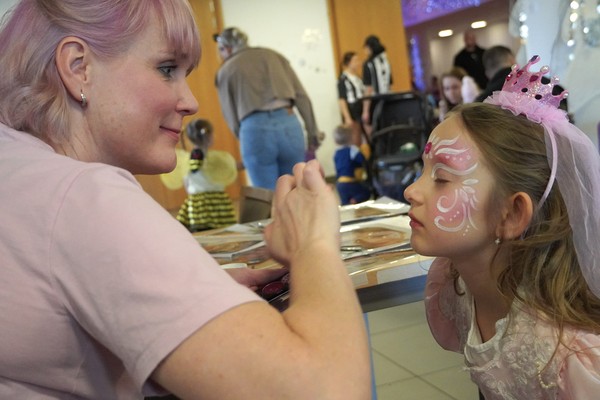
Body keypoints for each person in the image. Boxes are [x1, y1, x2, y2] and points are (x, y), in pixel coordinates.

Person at [0, 1, 371, 399]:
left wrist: (191, 303)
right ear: (78, 67)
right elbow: (330, 391)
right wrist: (315, 245)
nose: (191, 102)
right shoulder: (87, 198)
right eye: (166, 69)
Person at [404, 56, 600, 399]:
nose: (410, 191)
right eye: (423, 170)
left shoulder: (569, 355)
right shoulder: (454, 283)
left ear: (511, 215)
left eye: (442, 178)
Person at [214, 27, 322, 190]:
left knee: (267, 196)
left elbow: (229, 115)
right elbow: (302, 97)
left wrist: (244, 136)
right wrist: (312, 132)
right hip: (289, 123)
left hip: (254, 129)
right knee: (295, 190)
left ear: (226, 48)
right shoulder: (275, 56)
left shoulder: (226, 70)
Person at [175, 119, 237, 232]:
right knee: (223, 231)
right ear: (209, 136)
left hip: (197, 204)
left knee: (202, 232)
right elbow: (228, 172)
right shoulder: (217, 159)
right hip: (217, 202)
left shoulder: (185, 160)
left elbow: (187, 184)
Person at [333, 125, 371, 205]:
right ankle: (355, 200)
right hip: (351, 181)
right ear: (351, 138)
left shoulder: (336, 153)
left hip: (340, 184)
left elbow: (337, 169)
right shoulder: (352, 149)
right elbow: (362, 159)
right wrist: (365, 147)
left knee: (345, 203)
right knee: (366, 192)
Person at [361, 35, 393, 128]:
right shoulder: (385, 61)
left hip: (375, 102)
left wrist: (365, 111)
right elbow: (390, 85)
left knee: (375, 129)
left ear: (368, 47)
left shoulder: (368, 63)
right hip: (388, 100)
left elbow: (368, 88)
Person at [337, 51, 366, 147]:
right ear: (348, 63)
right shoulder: (343, 79)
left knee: (363, 138)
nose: (358, 63)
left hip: (360, 109)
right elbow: (342, 99)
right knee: (355, 139)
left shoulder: (358, 78)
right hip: (352, 111)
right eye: (355, 60)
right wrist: (347, 117)